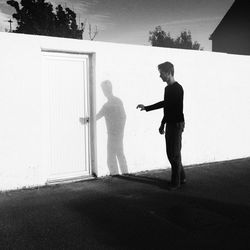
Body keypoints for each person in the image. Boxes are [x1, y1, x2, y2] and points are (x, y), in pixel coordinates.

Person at [137, 61, 186, 189]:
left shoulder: (178, 88)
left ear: (169, 73)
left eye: (161, 73)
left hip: (176, 123)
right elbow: (167, 107)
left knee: (173, 154)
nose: (160, 76)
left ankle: (176, 183)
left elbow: (167, 106)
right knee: (174, 153)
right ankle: (182, 177)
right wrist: (162, 123)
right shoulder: (167, 88)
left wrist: (148, 108)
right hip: (170, 122)